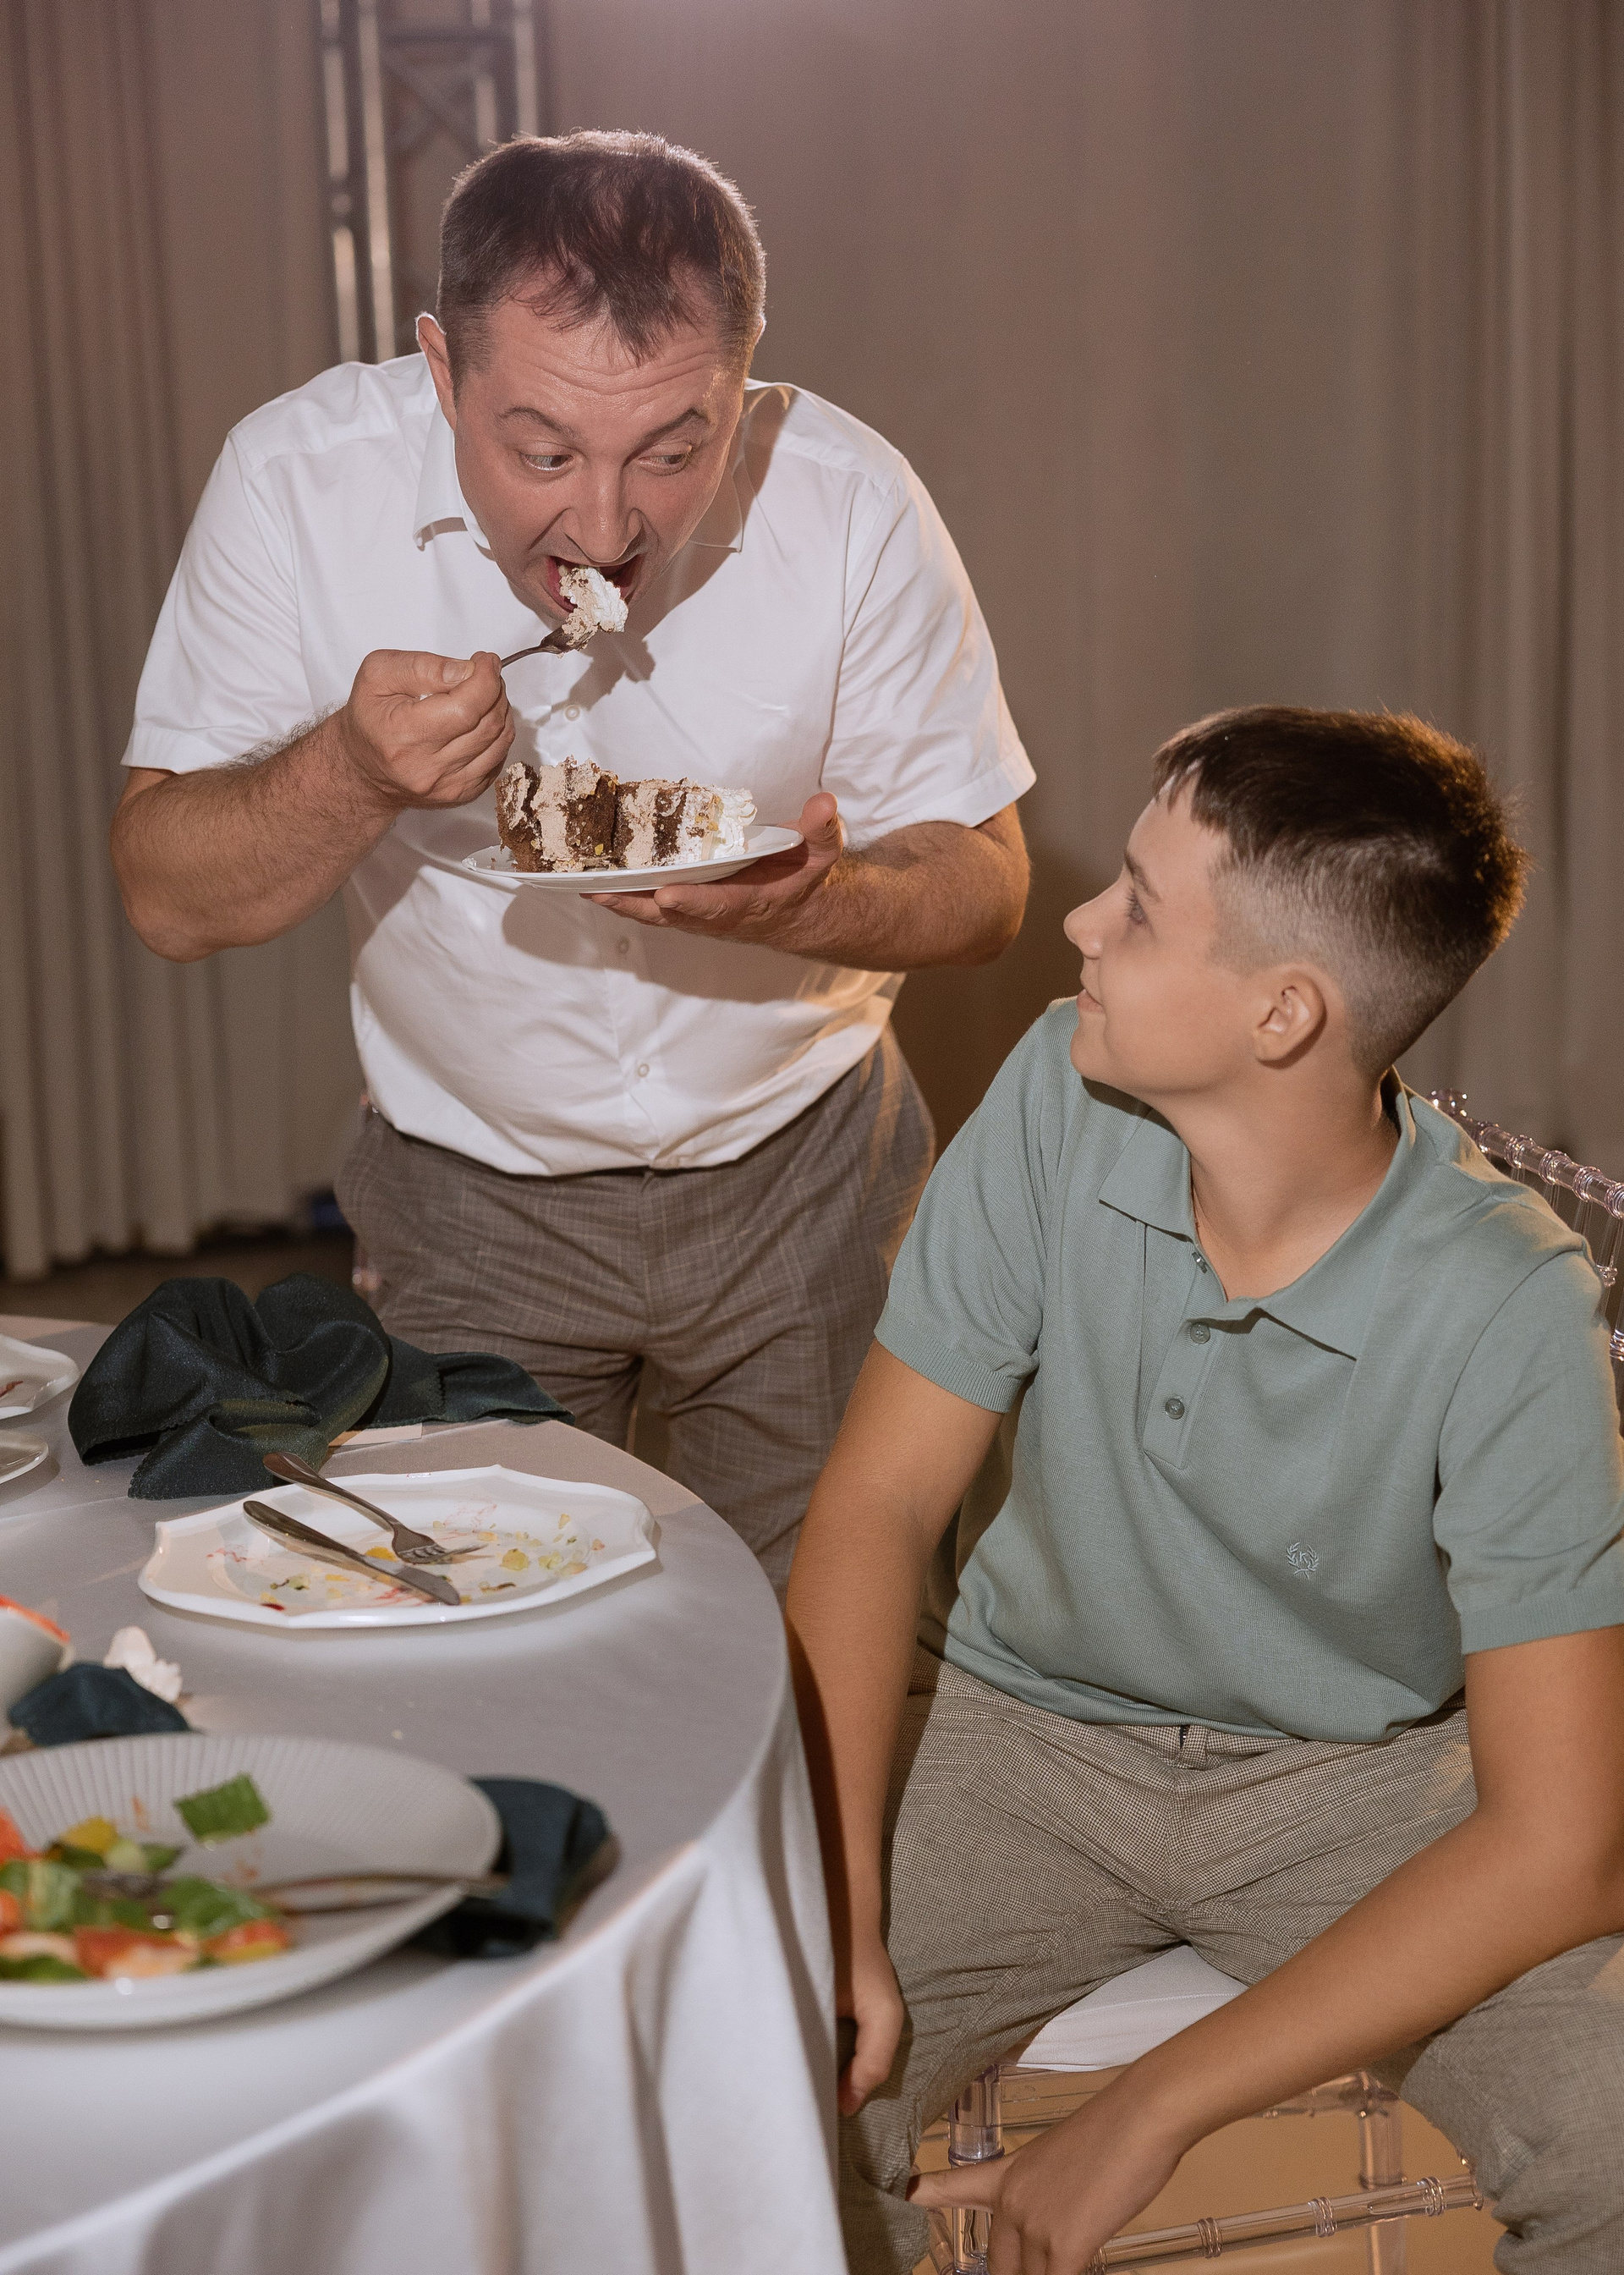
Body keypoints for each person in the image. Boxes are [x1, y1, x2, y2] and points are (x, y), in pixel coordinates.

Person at [109, 131, 1033, 1591]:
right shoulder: (296, 482)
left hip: (811, 1171)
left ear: (743, 380)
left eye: (675, 449)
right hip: (469, 1195)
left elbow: (988, 882)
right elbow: (165, 895)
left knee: (830, 1635)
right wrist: (350, 770)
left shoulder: (848, 496)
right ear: (440, 371)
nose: (605, 527)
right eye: (542, 452)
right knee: (486, 1632)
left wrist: (816, 902)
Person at [785, 706, 1624, 2274]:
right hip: (1020, 1739)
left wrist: (1148, 2107)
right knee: (751, 2069)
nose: (1081, 922)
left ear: (1283, 1013)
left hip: (1360, 1782)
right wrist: (836, 1910)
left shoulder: (1515, 1300)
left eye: (1141, 906)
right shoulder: (1053, 1095)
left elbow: (1563, 1840)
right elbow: (875, 1507)